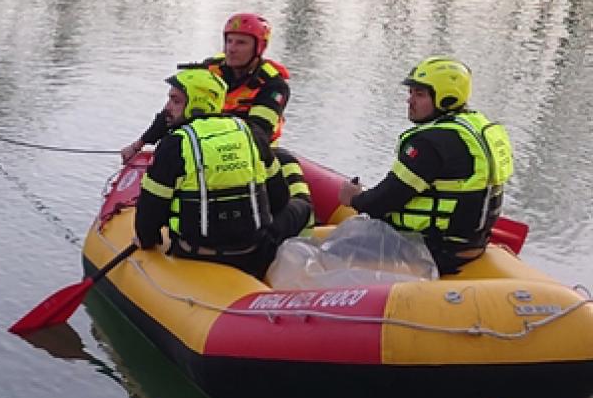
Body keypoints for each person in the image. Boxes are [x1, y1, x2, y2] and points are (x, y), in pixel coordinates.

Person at [338, 57, 514, 275]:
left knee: (335, 252)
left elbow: (386, 199)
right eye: (410, 93)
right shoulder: (476, 127)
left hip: (434, 248)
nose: (409, 101)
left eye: (419, 95)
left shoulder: (431, 142)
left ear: (446, 99)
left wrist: (354, 198)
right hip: (471, 243)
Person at [134, 68, 312, 280]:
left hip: (193, 253)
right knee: (302, 206)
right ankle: (303, 251)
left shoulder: (175, 144)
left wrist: (146, 240)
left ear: (197, 104)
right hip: (253, 253)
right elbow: (279, 199)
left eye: (175, 101)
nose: (167, 108)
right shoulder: (251, 132)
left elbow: (149, 213)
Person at [121, 13, 290, 163]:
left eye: (241, 43)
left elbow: (259, 134)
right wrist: (138, 145)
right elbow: (172, 111)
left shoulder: (273, 85)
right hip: (201, 143)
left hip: (245, 155)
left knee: (285, 160)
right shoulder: (209, 70)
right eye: (229, 41)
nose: (231, 49)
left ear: (259, 47)